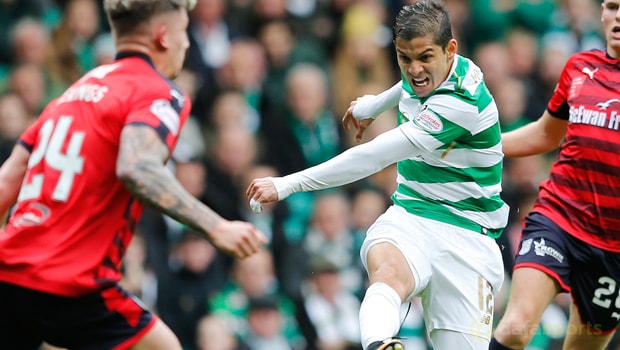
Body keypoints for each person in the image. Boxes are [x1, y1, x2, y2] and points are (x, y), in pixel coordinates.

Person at [0, 0, 267, 349]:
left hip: (9, 273)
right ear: (163, 37)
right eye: (183, 31)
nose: (187, 43)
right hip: (70, 282)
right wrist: (217, 226)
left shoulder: (71, 94)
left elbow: (6, 181)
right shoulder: (156, 91)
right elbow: (136, 168)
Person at [247, 1, 508, 349]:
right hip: (412, 214)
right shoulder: (446, 67)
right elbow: (408, 85)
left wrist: (287, 183)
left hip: (467, 237)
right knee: (386, 271)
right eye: (404, 57)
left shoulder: (460, 102)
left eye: (424, 57)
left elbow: (372, 157)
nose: (414, 69)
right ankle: (382, 344)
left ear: (450, 49)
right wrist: (372, 105)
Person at [489, 1, 620, 349]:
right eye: (613, 6)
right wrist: (482, 146)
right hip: (558, 217)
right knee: (516, 327)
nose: (618, 16)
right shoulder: (580, 68)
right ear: (602, 13)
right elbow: (546, 134)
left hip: (613, 247)